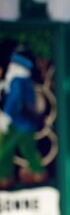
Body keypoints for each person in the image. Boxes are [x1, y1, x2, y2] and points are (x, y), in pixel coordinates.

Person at [0, 46, 47, 189]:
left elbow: (13, 100)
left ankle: (6, 177)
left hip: (18, 124)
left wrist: (5, 117)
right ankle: (35, 173)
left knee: (7, 150)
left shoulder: (16, 81)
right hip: (24, 124)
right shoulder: (24, 81)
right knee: (27, 149)